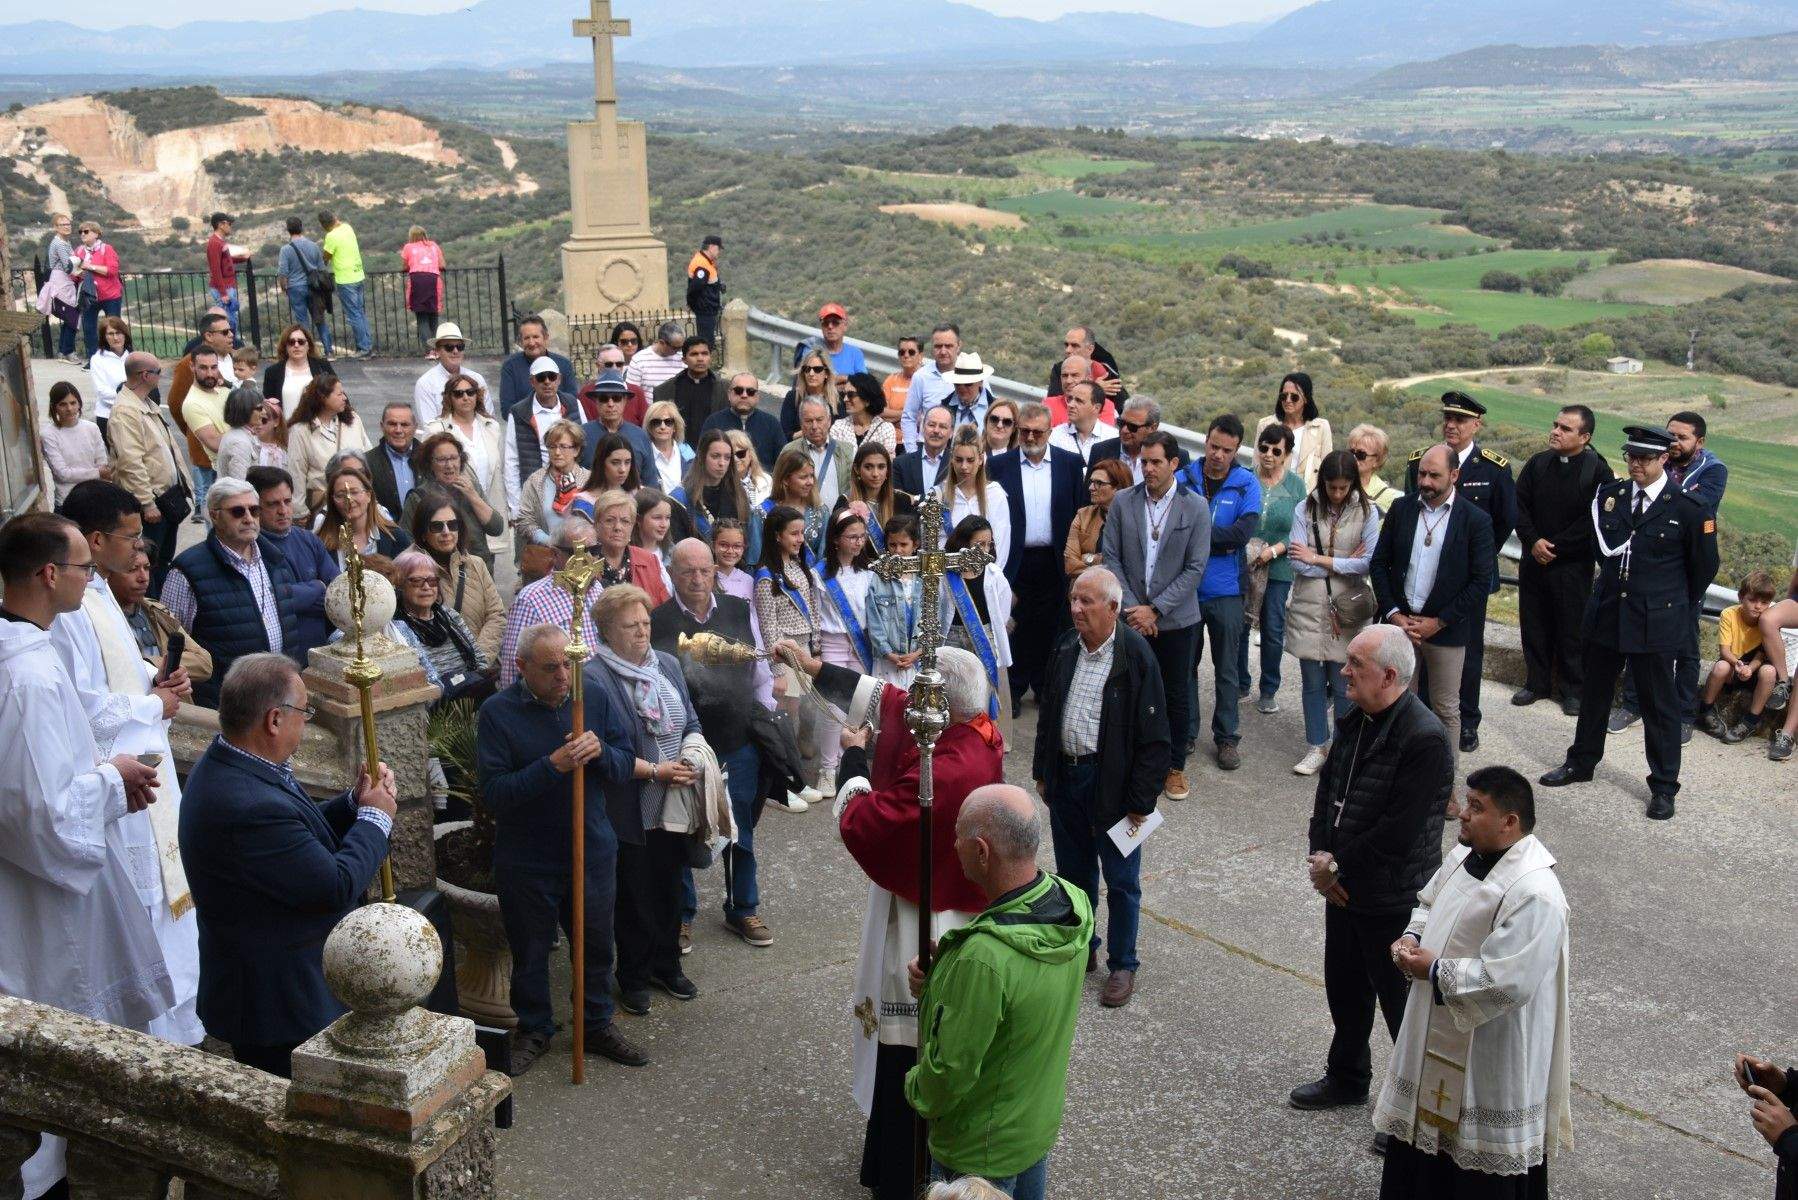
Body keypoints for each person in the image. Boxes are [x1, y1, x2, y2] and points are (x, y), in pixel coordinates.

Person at [772, 637, 1004, 1200]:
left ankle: (905, 1174)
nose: (909, 701)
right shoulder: (971, 728)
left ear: (940, 705)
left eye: (923, 691)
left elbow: (871, 822)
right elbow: (889, 700)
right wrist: (815, 667)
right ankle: (889, 1161)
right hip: (920, 899)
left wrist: (853, 763)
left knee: (911, 1045)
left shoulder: (948, 767)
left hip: (927, 922)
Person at [0, 512, 173, 1200]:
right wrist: (113, 780)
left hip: (32, 891)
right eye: (82, 567)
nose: (90, 578)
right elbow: (34, 813)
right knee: (55, 1042)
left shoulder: (24, 649)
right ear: (49, 575)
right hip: (39, 905)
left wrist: (101, 767)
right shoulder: (29, 677)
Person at [180, 653, 395, 1077]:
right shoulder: (247, 803)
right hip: (279, 1006)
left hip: (281, 989)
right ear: (275, 720)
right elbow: (333, 885)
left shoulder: (240, 762)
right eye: (305, 711)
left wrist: (353, 804)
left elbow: (298, 836)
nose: (307, 721)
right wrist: (377, 819)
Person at [50, 481, 204, 1043]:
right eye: (131, 536)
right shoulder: (71, 610)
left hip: (148, 770)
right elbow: (80, 707)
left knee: (172, 915)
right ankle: (156, 1039)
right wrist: (150, 704)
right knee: (144, 918)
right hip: (124, 787)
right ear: (96, 540)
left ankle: (184, 1026)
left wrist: (156, 682)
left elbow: (115, 680)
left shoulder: (97, 597)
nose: (140, 548)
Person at [1376, 766, 1572, 1197]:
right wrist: (1412, 936)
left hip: (1492, 1043)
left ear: (1509, 822)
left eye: (1477, 807)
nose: (1462, 814)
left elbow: (1508, 981)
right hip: (1435, 1025)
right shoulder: (1464, 856)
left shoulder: (1535, 893)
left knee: (1475, 1163)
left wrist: (1431, 969)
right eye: (1466, 803)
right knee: (1424, 1149)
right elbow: (1428, 903)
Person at [1293, 624, 1451, 1119]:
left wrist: (1335, 866)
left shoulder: (1425, 738)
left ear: (1387, 675)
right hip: (1342, 887)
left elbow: (1398, 833)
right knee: (1345, 989)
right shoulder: (1356, 718)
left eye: (1354, 664)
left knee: (1401, 1009)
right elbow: (1327, 793)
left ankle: (1410, 1114)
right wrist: (1321, 856)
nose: (1343, 671)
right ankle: (1347, 1078)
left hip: (1392, 895)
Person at [906, 784, 1092, 1199]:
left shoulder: (984, 960)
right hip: (1032, 1129)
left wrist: (914, 1087)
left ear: (982, 852)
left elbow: (949, 1072)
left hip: (977, 1151)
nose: (953, 845)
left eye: (958, 836)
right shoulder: (1074, 903)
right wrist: (944, 980)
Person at [475, 623, 646, 1074]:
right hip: (527, 858)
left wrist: (600, 752)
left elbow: (626, 761)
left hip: (590, 848)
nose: (563, 679)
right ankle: (534, 1028)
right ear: (521, 667)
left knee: (595, 945)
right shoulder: (497, 713)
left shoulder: (592, 693)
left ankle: (594, 1022)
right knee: (530, 951)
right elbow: (494, 793)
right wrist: (552, 766)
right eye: (550, 669)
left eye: (569, 666)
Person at [1539, 426, 1719, 820]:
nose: (1635, 464)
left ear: (1663, 460)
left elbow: (1703, 568)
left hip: (1655, 621)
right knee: (1595, 696)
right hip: (1607, 614)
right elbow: (1599, 549)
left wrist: (1669, 605)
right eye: (1631, 457)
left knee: (1659, 706)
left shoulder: (1687, 507)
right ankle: (1581, 762)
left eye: (1645, 458)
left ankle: (1664, 785)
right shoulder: (1612, 496)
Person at [1034, 566, 1168, 1008]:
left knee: (1122, 881)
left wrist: (1141, 802)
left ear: (1113, 608)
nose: (1076, 609)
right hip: (1067, 778)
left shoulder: (1135, 656)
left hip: (1114, 786)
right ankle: (1082, 949)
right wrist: (1043, 770)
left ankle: (1123, 964)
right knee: (1073, 876)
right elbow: (1050, 713)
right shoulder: (1066, 646)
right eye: (1073, 599)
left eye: (1086, 602)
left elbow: (1155, 738)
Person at [584, 585, 704, 1015]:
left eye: (646, 623)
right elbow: (600, 751)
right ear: (606, 631)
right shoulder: (594, 676)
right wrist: (656, 771)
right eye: (630, 626)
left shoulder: (666, 664)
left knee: (671, 887)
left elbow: (690, 718)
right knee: (633, 895)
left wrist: (690, 754)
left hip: (674, 800)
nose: (641, 632)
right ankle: (633, 976)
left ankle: (666, 965)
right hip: (629, 807)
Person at [653, 540, 778, 947]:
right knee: (684, 829)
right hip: (685, 745)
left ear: (714, 572)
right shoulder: (658, 620)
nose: (697, 578)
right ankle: (681, 915)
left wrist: (766, 719)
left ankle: (743, 908)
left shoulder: (738, 609)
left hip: (738, 739)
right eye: (687, 570)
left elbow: (760, 670)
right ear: (672, 572)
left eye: (704, 570)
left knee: (739, 828)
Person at [1101, 431, 1210, 802]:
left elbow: (1195, 568)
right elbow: (1111, 557)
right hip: (1131, 618)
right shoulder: (1122, 502)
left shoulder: (1194, 506)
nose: (1147, 468)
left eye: (1155, 462)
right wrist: (1135, 610)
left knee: (1175, 695)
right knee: (1128, 690)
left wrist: (1157, 609)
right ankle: (1131, 761)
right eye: (1143, 462)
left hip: (1177, 621)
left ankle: (1174, 767)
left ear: (1174, 464)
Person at [1405, 393, 1515, 754]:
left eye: (1461, 419)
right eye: (1448, 417)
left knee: (1466, 652)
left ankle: (1467, 720)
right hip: (1424, 578)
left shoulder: (1494, 468)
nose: (1452, 424)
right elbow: (1413, 516)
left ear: (1476, 425)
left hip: (1469, 581)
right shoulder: (1420, 463)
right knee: (1419, 649)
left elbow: (1501, 521)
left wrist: (1474, 560)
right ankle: (1419, 716)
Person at [1611, 409, 1729, 739]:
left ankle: (1683, 714)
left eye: (1682, 437)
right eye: (1671, 435)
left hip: (1685, 573)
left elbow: (1692, 508)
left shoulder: (1713, 471)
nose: (1675, 442)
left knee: (1686, 644)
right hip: (1647, 569)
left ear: (1699, 441)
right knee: (1638, 637)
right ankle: (1631, 705)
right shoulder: (1656, 464)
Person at [1373, 445, 1495, 756]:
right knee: (1396, 703)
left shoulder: (1475, 520)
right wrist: (1394, 614)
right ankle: (1397, 774)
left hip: (1446, 630)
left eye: (1434, 475)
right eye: (1422, 474)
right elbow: (1379, 563)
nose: (1425, 481)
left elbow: (1481, 581)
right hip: (1401, 625)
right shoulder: (1401, 509)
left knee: (1445, 709)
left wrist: (1439, 622)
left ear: (1454, 475)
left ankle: (1444, 786)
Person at [162, 478, 304, 707]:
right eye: (238, 511)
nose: (248, 518)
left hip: (277, 695)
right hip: (226, 702)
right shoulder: (187, 570)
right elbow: (172, 640)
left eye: (254, 510)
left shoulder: (274, 559)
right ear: (214, 516)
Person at [1511, 404, 1614, 715]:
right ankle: (1536, 683)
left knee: (1572, 628)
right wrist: (1533, 541)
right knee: (1534, 623)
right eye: (1555, 425)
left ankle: (1573, 690)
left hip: (1571, 565)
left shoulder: (1597, 471)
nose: (1555, 431)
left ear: (1584, 436)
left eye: (1565, 428)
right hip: (1534, 560)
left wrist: (1555, 546)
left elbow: (1595, 518)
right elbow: (1519, 505)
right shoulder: (1538, 463)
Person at [1288, 450, 1384, 776]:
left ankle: (1344, 748)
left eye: (1344, 488)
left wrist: (1319, 559)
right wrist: (1341, 563)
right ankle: (1317, 745)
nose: (1338, 494)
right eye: (1332, 487)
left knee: (1345, 683)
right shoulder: (1305, 508)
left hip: (1347, 608)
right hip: (1309, 604)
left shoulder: (1368, 512)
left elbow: (1368, 561)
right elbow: (1295, 560)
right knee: (1312, 682)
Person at [988, 400, 1083, 709]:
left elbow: (1078, 512)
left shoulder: (1070, 464)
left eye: (1037, 432)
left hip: (1054, 559)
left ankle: (1044, 686)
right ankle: (1013, 690)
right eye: (1025, 431)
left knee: (1050, 624)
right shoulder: (1000, 466)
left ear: (1049, 431)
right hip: (1014, 558)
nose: (1030, 438)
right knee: (1014, 623)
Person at [1184, 413, 1263, 771]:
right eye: (1214, 446)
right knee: (1184, 665)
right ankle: (1185, 732)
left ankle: (1227, 738)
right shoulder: (1184, 477)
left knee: (1227, 668)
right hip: (1185, 589)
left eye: (1227, 450)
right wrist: (1213, 539)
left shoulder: (1247, 484)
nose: (1218, 455)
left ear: (1236, 451)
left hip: (1227, 590)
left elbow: (1241, 535)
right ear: (1206, 440)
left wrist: (1195, 537)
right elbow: (1173, 528)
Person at [755, 505, 825, 797]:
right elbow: (768, 627)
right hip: (784, 653)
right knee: (787, 719)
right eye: (793, 534)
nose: (800, 539)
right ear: (776, 536)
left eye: (801, 533)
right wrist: (779, 670)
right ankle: (785, 782)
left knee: (801, 718)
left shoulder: (799, 567)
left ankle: (794, 778)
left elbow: (814, 610)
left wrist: (816, 650)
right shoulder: (766, 577)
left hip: (805, 649)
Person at [105, 352, 187, 588]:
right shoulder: (125, 412)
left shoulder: (146, 404)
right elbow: (130, 462)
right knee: (148, 565)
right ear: (145, 375)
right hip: (152, 505)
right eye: (158, 372)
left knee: (163, 562)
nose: (161, 377)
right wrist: (147, 502)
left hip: (166, 497)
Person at [1243, 422, 1307, 716]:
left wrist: (1272, 551)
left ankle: (1269, 688)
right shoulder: (1245, 477)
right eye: (1264, 448)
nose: (1268, 454)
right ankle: (1240, 682)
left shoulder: (1296, 486)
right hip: (1244, 563)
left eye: (1275, 450)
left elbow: (1298, 529)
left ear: (1287, 454)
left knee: (1271, 628)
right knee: (1240, 624)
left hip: (1279, 567)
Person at [243, 466, 338, 662]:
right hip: (277, 660)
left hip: (318, 654)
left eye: (287, 501)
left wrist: (297, 597)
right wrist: (317, 586)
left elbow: (338, 592)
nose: (283, 510)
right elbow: (270, 601)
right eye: (272, 504)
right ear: (255, 506)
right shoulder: (249, 548)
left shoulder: (308, 540)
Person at [815, 509, 879, 792]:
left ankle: (848, 763)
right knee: (831, 708)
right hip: (832, 642)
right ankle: (827, 768)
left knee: (858, 706)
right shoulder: (819, 574)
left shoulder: (869, 572)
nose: (858, 542)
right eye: (852, 537)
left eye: (862, 537)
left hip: (861, 643)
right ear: (836, 539)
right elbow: (815, 614)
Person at [496, 517, 600, 688]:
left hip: (597, 695)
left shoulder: (597, 589)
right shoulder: (531, 599)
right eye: (578, 552)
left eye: (594, 550)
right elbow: (513, 668)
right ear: (555, 553)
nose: (588, 559)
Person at [407, 485, 505, 663]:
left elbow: (496, 616)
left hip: (482, 670)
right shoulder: (412, 574)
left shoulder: (477, 564)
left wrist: (478, 659)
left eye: (452, 525)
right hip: (443, 673)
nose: (446, 532)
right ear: (423, 533)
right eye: (437, 526)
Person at [105, 543, 215, 685]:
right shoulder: (101, 617)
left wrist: (150, 664)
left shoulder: (156, 610)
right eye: (132, 569)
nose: (143, 577)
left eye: (147, 568)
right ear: (108, 574)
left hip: (174, 701)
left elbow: (204, 663)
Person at [942, 517, 1015, 726]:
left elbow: (1002, 612)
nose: (984, 550)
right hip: (952, 638)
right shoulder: (947, 574)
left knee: (980, 693)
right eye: (978, 544)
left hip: (983, 637)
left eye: (988, 544)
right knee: (953, 692)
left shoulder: (994, 574)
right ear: (963, 544)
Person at [403, 433, 506, 571]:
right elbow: (407, 542)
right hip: (441, 574)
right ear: (430, 464)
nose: (449, 465)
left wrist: (473, 496)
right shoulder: (419, 497)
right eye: (441, 460)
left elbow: (496, 527)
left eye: (453, 458)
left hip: (478, 570)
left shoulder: (471, 487)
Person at [1698, 571, 1779, 744]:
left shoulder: (1770, 621)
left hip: (1755, 670)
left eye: (1764, 602)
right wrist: (1738, 664)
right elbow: (1725, 651)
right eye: (1752, 600)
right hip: (1733, 665)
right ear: (1741, 597)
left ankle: (1750, 721)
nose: (1758, 606)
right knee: (1721, 667)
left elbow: (1762, 654)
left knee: (1770, 671)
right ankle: (1705, 710)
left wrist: (1750, 668)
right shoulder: (1729, 614)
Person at [503, 357, 583, 522]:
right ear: (532, 381)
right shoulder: (519, 412)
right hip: (536, 492)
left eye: (551, 376)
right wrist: (516, 507)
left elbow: (585, 447)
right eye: (541, 377)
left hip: (574, 490)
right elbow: (511, 462)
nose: (547, 382)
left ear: (559, 379)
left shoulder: (574, 404)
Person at [424, 371, 507, 527]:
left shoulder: (492, 427)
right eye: (458, 393)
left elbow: (500, 470)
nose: (465, 397)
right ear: (449, 397)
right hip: (453, 512)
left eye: (470, 392)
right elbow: (426, 473)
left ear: (477, 395)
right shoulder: (436, 430)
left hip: (491, 508)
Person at [286, 375, 372, 516]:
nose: (344, 397)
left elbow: (368, 457)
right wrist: (299, 512)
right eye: (339, 394)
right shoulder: (301, 431)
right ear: (322, 397)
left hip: (359, 504)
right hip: (324, 507)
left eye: (343, 393)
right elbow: (296, 472)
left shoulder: (354, 420)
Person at [675, 428, 762, 562]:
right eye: (715, 456)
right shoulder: (681, 498)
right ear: (702, 457)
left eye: (727, 457)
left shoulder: (738, 494)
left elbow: (749, 544)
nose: (722, 463)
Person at [173, 342, 235, 515]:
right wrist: (248, 427)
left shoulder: (224, 389)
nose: (210, 373)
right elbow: (215, 442)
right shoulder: (192, 403)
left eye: (214, 367)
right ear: (192, 367)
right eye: (203, 368)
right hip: (221, 474)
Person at [941, 425, 1011, 572]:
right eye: (959, 460)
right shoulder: (940, 495)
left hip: (985, 578)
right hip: (949, 578)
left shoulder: (995, 495)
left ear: (980, 459)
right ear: (952, 458)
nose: (964, 466)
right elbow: (936, 543)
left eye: (970, 460)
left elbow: (1000, 545)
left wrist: (988, 578)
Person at [902, 323, 978, 449]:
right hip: (928, 449)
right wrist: (912, 452)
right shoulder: (921, 377)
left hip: (966, 451)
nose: (943, 351)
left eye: (948, 346)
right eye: (938, 346)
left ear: (959, 345)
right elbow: (909, 416)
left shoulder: (974, 374)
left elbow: (986, 411)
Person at [868, 514, 922, 688]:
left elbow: (933, 621)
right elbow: (874, 622)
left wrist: (918, 653)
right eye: (892, 544)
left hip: (918, 661)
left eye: (903, 544)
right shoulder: (877, 579)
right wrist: (888, 653)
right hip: (887, 661)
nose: (898, 550)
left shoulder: (925, 579)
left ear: (916, 545)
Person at [318, 461, 410, 563]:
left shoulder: (395, 537)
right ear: (332, 501)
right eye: (340, 495)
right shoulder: (321, 543)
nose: (349, 499)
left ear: (368, 495)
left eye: (354, 492)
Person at [517, 419, 588, 549]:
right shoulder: (536, 480)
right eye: (552, 446)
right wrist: (547, 540)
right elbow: (524, 520)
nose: (557, 452)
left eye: (563, 446)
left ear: (576, 450)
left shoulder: (589, 480)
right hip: (546, 556)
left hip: (583, 555)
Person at [832, 440, 911, 555]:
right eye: (868, 467)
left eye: (881, 467)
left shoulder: (901, 500)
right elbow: (837, 545)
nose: (875, 474)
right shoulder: (845, 502)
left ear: (888, 469)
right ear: (857, 469)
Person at [1257, 372, 1333, 490]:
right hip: (1272, 494)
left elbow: (1328, 470)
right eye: (1284, 396)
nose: (1288, 400)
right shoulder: (1265, 425)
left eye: (1294, 397)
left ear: (1306, 398)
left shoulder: (1321, 428)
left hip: (1307, 498)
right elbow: (1257, 464)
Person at [579, 367, 657, 480]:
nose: (610, 404)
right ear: (596, 401)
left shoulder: (640, 435)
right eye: (604, 398)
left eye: (616, 398)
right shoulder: (581, 435)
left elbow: (650, 481)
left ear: (625, 401)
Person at [41, 381, 112, 506]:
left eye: (73, 403)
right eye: (63, 404)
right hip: (68, 502)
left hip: (95, 498)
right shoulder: (49, 434)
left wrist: (100, 473)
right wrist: (97, 473)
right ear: (54, 407)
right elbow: (62, 474)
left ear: (79, 403)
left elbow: (102, 463)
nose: (69, 409)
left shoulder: (92, 428)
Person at [653, 336, 729, 448]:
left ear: (710, 357)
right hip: (677, 452)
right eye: (694, 354)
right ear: (684, 360)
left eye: (704, 354)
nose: (700, 358)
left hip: (714, 450)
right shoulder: (664, 391)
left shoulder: (725, 389)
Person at [700, 371, 783, 470]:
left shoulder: (771, 424)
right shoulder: (713, 422)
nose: (744, 395)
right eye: (738, 390)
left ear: (757, 397)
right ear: (729, 394)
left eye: (750, 391)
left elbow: (783, 462)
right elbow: (702, 458)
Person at [1063, 457, 1131, 578]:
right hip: (1085, 592)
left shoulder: (1136, 518)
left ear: (1119, 487)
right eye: (1091, 482)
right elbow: (1070, 566)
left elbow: (1131, 565)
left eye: (1099, 483)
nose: (1091, 488)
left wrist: (1090, 558)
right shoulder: (1083, 515)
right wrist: (1106, 564)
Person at [1090, 396, 1186, 482]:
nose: (1124, 430)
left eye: (1132, 427)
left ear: (1152, 428)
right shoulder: (1100, 451)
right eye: (1121, 423)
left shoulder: (1177, 456)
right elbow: (1088, 496)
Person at [274, 217, 332, 355]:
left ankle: (308, 352)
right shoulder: (313, 246)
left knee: (302, 322)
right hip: (314, 288)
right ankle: (329, 351)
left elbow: (283, 273)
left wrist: (284, 289)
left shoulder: (286, 250)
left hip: (295, 288)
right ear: (302, 228)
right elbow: (321, 268)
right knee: (319, 320)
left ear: (288, 230)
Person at [411, 322, 488, 426]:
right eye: (449, 347)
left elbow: (487, 418)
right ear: (437, 351)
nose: (455, 351)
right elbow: (430, 426)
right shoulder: (426, 384)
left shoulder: (477, 379)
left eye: (460, 346)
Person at [317, 210, 371, 358]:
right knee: (360, 313)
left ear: (324, 225)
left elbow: (326, 257)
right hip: (358, 275)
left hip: (345, 279)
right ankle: (368, 346)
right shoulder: (347, 228)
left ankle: (363, 349)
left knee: (354, 315)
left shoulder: (331, 236)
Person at [497, 314, 578, 412]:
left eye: (535, 337)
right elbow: (507, 409)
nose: (531, 343)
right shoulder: (510, 367)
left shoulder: (564, 365)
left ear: (546, 337)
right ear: (521, 341)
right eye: (527, 338)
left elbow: (573, 402)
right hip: (525, 425)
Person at [767, 446, 832, 562]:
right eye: (803, 477)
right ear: (785, 480)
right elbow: (755, 560)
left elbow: (825, 556)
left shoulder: (820, 511)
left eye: (811, 476)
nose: (810, 482)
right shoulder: (763, 512)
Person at [71, 220, 123, 361]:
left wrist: (90, 267)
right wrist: (77, 274)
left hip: (110, 295)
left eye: (86, 231)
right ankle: (93, 359)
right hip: (89, 295)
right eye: (80, 232)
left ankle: (118, 356)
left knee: (114, 328)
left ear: (96, 233)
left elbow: (112, 270)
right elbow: (73, 273)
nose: (82, 234)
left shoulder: (107, 249)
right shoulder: (79, 251)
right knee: (89, 329)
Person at [1045, 325, 1126, 407]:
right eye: (1066, 345)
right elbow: (1055, 403)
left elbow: (1124, 407)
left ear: (1090, 349)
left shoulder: (1105, 372)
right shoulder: (1059, 369)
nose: (1068, 350)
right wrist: (1096, 389)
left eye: (1075, 345)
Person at [213, 385, 282, 481]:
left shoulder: (240, 434)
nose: (264, 412)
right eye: (259, 408)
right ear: (245, 410)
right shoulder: (239, 442)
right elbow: (240, 486)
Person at [262, 323, 329, 421]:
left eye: (301, 342)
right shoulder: (273, 372)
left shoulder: (322, 367)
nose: (296, 345)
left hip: (319, 430)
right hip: (286, 431)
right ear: (285, 346)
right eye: (291, 342)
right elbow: (270, 407)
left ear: (308, 345)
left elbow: (336, 395)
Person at [365, 401, 421, 518]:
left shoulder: (430, 458)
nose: (398, 430)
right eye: (392, 424)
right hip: (384, 533)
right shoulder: (367, 462)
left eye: (404, 425)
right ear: (382, 426)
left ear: (415, 427)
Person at [397, 224, 444, 354]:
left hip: (417, 281)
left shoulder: (408, 247)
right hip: (434, 280)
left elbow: (405, 266)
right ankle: (437, 349)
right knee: (433, 314)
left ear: (411, 236)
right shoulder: (434, 246)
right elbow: (442, 264)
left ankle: (430, 350)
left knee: (422, 316)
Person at [41, 212, 82, 361]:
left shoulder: (65, 242)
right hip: (62, 282)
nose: (67, 227)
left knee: (69, 317)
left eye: (68, 224)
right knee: (72, 316)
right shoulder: (59, 243)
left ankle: (63, 351)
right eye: (62, 225)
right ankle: (68, 352)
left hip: (65, 282)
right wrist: (85, 271)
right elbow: (68, 266)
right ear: (55, 227)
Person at [782, 347, 844, 443]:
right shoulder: (793, 397)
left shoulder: (838, 399)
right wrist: (812, 430)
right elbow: (785, 436)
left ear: (826, 373)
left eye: (817, 369)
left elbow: (843, 433)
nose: (811, 373)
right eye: (807, 369)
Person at [1049, 379, 1117, 465]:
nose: (1070, 405)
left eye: (1079, 401)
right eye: (1070, 399)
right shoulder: (1055, 435)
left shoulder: (1112, 437)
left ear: (1096, 408)